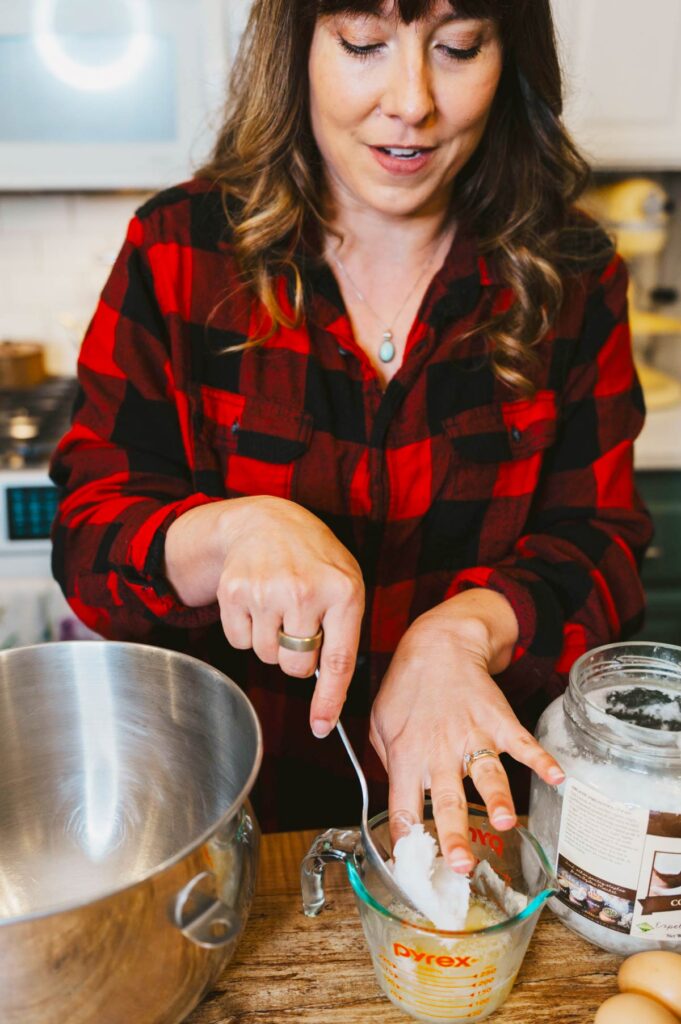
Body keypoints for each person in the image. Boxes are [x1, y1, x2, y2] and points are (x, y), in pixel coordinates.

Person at [50, 0, 652, 872]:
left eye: (456, 47)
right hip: (228, 837)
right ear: (295, 48)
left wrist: (464, 634)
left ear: (507, 56)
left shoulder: (570, 271)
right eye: (364, 44)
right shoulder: (177, 250)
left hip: (476, 837)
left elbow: (602, 548)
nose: (411, 101)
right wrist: (230, 531)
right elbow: (89, 542)